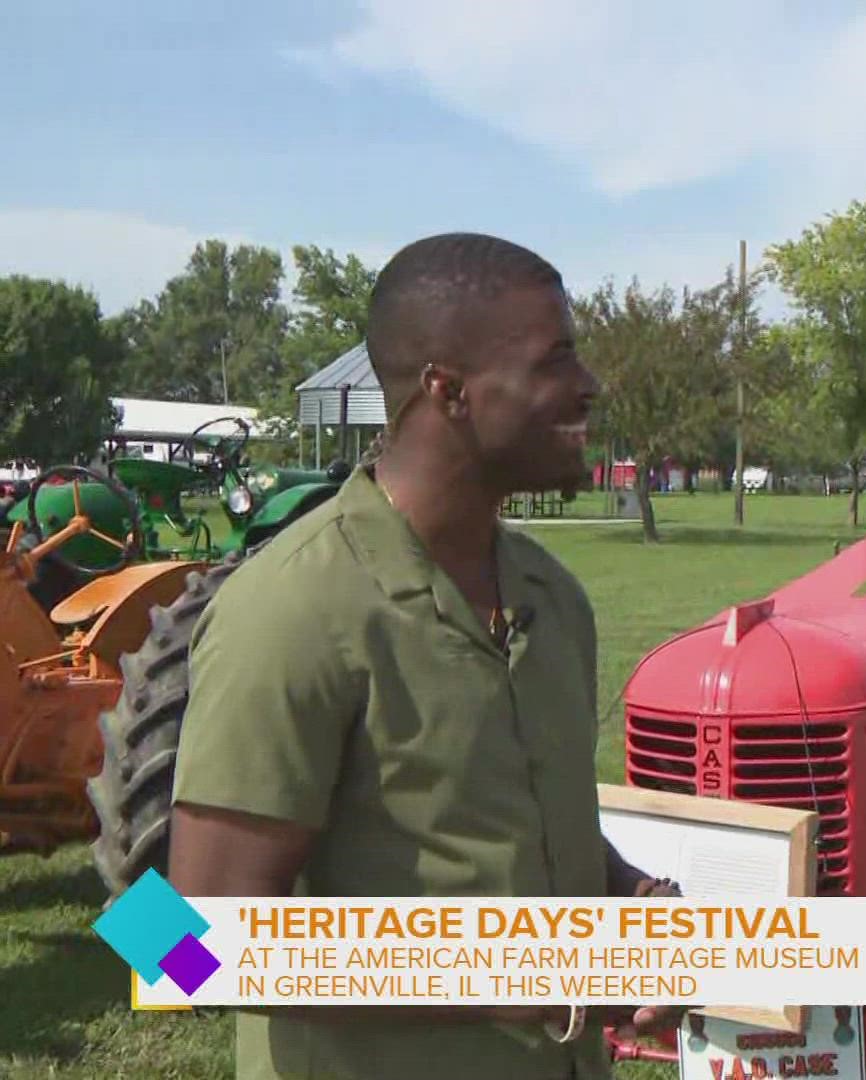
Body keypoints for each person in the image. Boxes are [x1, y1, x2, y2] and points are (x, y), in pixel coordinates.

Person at [168, 233, 687, 1080]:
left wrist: (628, 899)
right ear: (449, 390)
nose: (588, 384)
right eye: (554, 358)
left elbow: (510, 839)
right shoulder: (292, 612)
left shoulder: (552, 600)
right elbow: (172, 947)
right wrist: (491, 976)